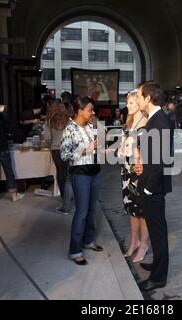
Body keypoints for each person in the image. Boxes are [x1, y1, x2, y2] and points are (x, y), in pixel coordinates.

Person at [134, 82, 172, 291]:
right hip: (150, 183)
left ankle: (159, 277)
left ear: (148, 98)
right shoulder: (154, 119)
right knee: (156, 229)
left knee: (158, 232)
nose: (138, 99)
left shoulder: (161, 122)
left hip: (154, 188)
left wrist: (148, 188)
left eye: (139, 96)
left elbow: (162, 161)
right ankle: (157, 264)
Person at [61, 97, 103, 266]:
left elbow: (95, 147)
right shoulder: (69, 129)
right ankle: (75, 250)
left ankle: (88, 240)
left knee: (92, 210)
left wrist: (100, 148)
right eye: (89, 110)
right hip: (80, 175)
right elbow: (64, 155)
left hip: (95, 172)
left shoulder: (91, 126)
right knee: (82, 212)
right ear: (79, 110)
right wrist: (85, 150)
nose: (92, 112)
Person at [117, 90, 150, 263]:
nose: (128, 106)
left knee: (142, 210)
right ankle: (133, 241)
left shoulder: (145, 123)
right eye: (127, 102)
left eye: (131, 103)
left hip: (138, 171)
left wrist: (140, 169)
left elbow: (145, 152)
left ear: (139, 103)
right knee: (131, 209)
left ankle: (143, 244)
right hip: (126, 169)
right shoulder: (130, 122)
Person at [45, 101, 74, 215]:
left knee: (60, 172)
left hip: (56, 149)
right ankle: (69, 196)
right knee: (68, 174)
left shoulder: (49, 121)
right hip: (67, 148)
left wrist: (51, 142)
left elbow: (47, 137)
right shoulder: (69, 120)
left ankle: (63, 195)